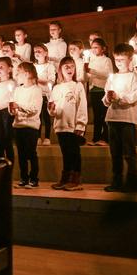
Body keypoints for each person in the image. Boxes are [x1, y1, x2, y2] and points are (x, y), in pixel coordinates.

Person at [102, 43, 137, 192]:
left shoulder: (134, 77)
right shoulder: (112, 77)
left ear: (130, 59)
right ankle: (117, 181)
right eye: (116, 59)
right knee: (115, 152)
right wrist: (108, 97)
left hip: (127, 119)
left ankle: (132, 183)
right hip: (112, 118)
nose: (118, 62)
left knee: (129, 153)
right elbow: (105, 101)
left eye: (122, 59)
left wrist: (118, 97)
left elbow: (133, 96)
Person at [48, 56, 88, 191]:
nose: (69, 69)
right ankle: (65, 178)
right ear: (60, 70)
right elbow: (53, 110)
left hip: (73, 126)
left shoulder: (78, 85)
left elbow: (82, 106)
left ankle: (76, 180)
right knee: (65, 153)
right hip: (60, 125)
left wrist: (80, 125)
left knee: (74, 152)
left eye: (72, 66)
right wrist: (51, 110)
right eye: (66, 66)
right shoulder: (56, 88)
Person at [10, 62, 43, 188]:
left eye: (19, 73)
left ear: (27, 74)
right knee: (21, 154)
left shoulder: (36, 90)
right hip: (18, 126)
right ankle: (24, 177)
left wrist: (19, 106)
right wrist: (12, 109)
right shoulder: (18, 90)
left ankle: (34, 178)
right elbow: (14, 108)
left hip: (31, 127)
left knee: (31, 153)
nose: (16, 76)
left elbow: (34, 109)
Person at [86, 38, 113, 146]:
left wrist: (92, 71)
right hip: (93, 90)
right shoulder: (91, 61)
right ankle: (95, 138)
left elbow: (108, 74)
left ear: (103, 49)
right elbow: (89, 77)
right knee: (97, 116)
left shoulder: (107, 60)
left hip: (103, 89)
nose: (94, 49)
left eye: (96, 47)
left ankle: (105, 138)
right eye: (92, 47)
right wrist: (87, 72)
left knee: (104, 115)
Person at [33, 43, 56, 146]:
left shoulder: (49, 66)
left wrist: (37, 80)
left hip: (46, 94)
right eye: (35, 52)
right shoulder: (33, 66)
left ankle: (47, 137)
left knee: (46, 117)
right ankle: (37, 137)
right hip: (36, 94)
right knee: (37, 117)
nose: (37, 53)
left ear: (45, 53)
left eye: (39, 51)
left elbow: (51, 80)